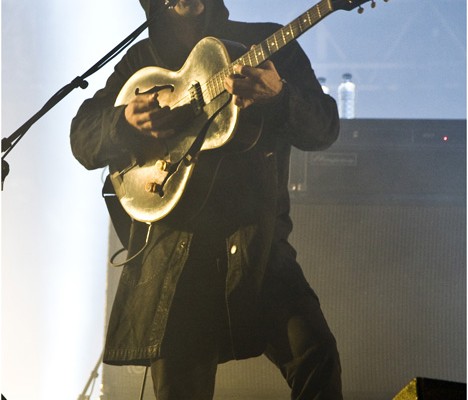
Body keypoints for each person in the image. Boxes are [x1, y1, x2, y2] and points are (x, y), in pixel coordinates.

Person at [70, 0, 343, 398]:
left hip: (256, 244)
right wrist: (124, 122)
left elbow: (325, 129)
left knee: (316, 355)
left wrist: (281, 96)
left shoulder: (266, 41)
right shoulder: (141, 60)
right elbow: (82, 137)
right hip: (173, 261)